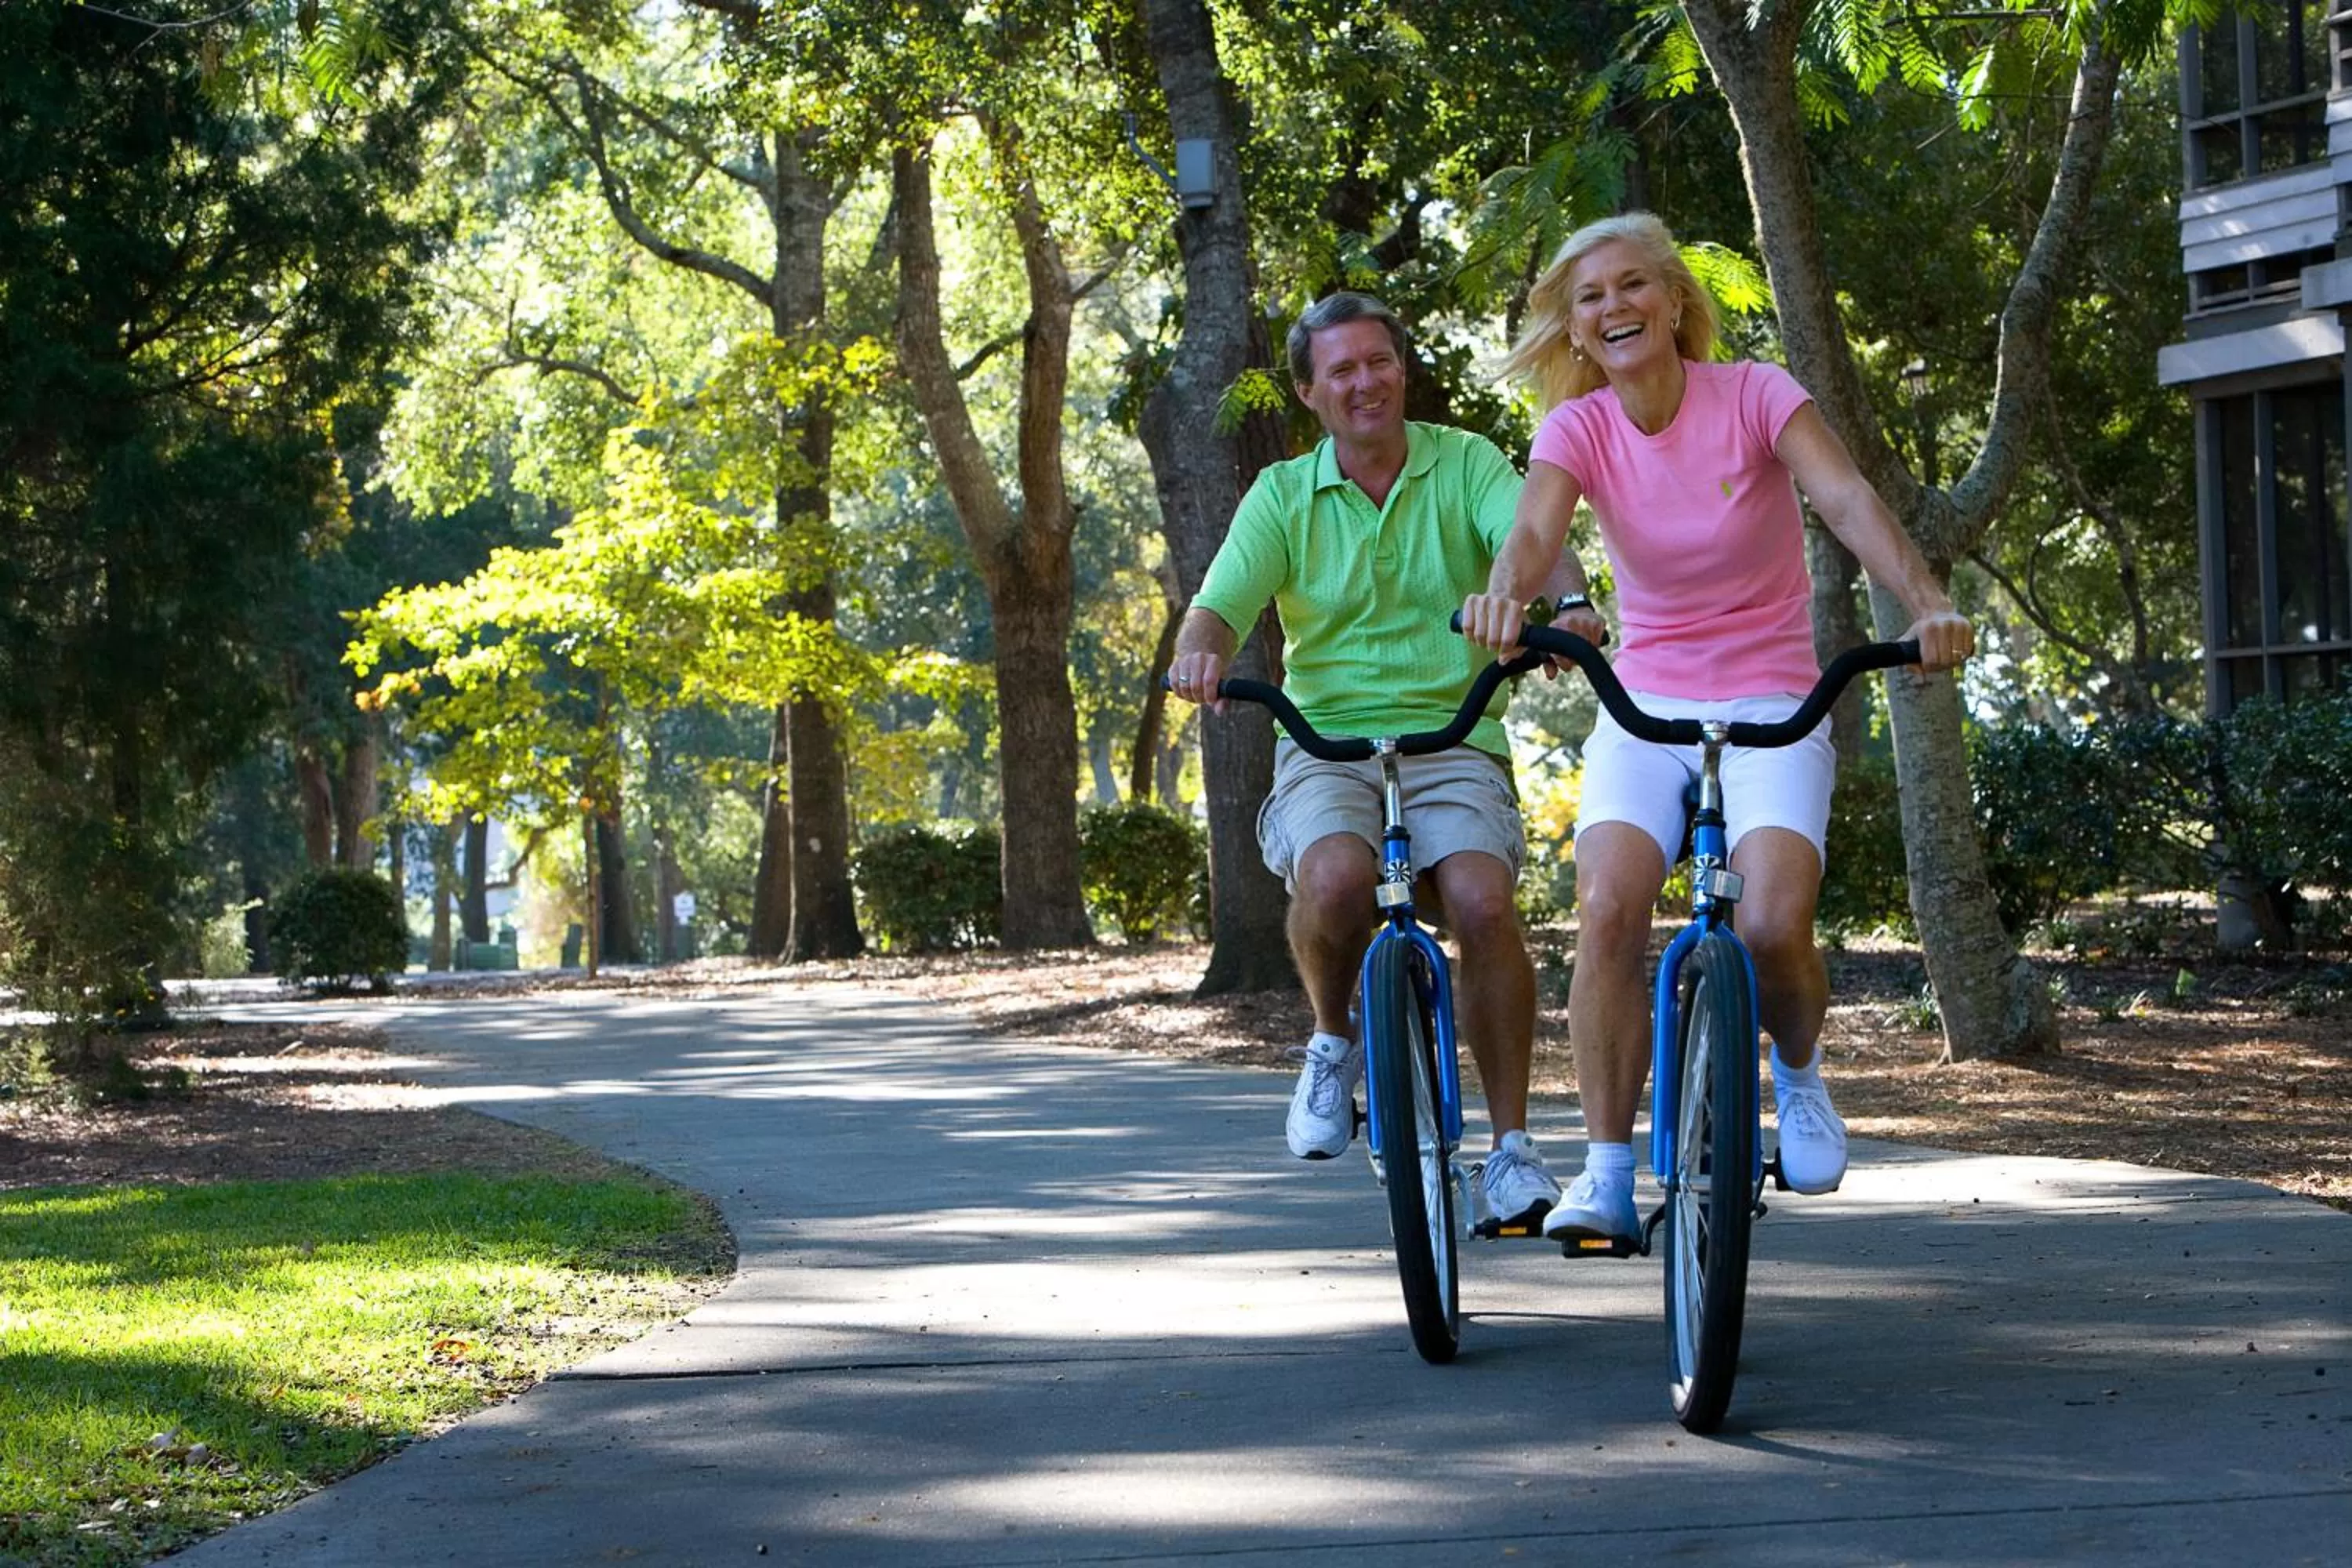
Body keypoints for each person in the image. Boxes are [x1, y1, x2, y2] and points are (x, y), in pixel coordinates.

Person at [1458, 212, 1975, 1246]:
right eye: (1591, 297)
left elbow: (1847, 497)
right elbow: (1532, 532)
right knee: (1607, 907)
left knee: (1773, 925)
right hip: (1645, 701)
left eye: (1634, 286)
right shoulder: (1579, 429)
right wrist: (1503, 596)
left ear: (1676, 300)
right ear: (1573, 327)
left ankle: (1800, 1074)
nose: (1615, 308)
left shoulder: (1756, 395)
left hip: (1775, 697)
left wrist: (1925, 604)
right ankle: (1608, 1172)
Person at [1167, 291, 1585, 1229]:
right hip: (1327, 745)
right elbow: (1219, 603)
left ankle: (1512, 1150)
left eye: (1379, 362)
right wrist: (1200, 650)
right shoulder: (1282, 493)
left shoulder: (1468, 460)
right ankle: (1331, 1041)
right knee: (1334, 875)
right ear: (1311, 393)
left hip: (1454, 736)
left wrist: (1570, 605)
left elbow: (1532, 540)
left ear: (1403, 368)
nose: (1366, 382)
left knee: (1481, 900)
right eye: (1343, 370)